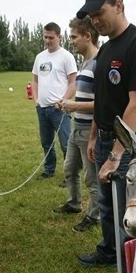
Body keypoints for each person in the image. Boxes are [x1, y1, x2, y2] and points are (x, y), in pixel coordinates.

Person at [74, 0, 136, 273]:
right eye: (91, 16)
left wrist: (116, 155)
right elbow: (102, 100)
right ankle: (109, 252)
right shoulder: (106, 50)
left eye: (99, 12)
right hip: (107, 139)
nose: (95, 20)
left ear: (119, 5)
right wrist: (95, 137)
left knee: (129, 213)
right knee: (107, 205)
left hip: (130, 144)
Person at [53, 17, 100, 233]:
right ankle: (74, 204)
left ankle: (94, 215)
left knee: (91, 178)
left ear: (87, 36)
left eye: (74, 36)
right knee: (69, 169)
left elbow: (103, 104)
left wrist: (74, 105)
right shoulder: (84, 64)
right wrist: (69, 105)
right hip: (76, 128)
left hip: (90, 131)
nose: (71, 41)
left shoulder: (99, 63)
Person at [31, 22, 78, 180]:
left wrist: (64, 100)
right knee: (46, 143)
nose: (47, 40)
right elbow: (35, 80)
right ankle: (49, 169)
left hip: (59, 110)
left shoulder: (66, 56)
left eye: (51, 37)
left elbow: (73, 83)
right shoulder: (40, 57)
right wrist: (36, 99)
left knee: (66, 143)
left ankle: (69, 175)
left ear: (59, 37)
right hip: (42, 108)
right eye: (45, 37)